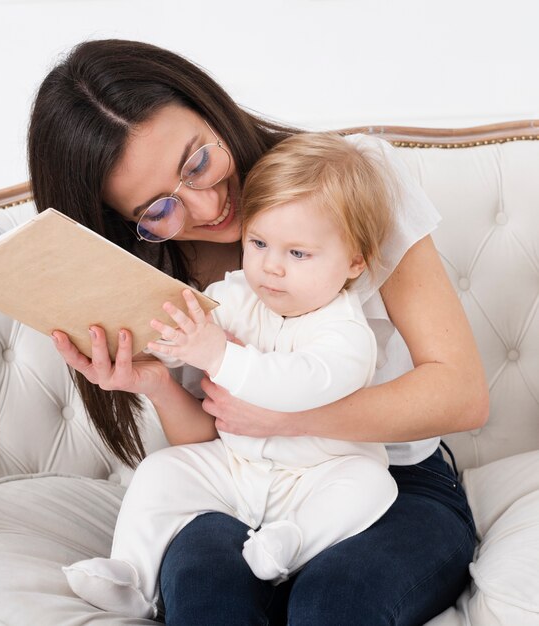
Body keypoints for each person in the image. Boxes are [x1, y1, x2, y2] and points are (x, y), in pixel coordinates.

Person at [28, 39, 488, 626]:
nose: (206, 204)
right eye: (157, 208)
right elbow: (211, 436)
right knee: (204, 589)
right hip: (241, 479)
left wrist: (287, 417)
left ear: (212, 108)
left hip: (385, 479)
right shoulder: (162, 271)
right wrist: (160, 385)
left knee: (331, 602)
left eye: (197, 162)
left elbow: (462, 392)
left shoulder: (346, 187)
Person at [62, 131, 400, 619]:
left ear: (354, 261)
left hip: (317, 476)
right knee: (161, 471)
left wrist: (219, 356)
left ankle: (291, 543)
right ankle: (132, 574)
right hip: (236, 468)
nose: (271, 268)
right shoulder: (240, 293)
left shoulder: (347, 333)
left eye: (297, 253)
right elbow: (191, 333)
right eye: (258, 242)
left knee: (371, 484)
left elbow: (299, 384)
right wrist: (147, 347)